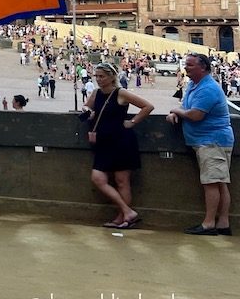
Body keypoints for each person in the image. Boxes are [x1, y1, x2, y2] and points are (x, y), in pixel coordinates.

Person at [167, 53, 234, 235]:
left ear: (202, 67)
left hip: (212, 141)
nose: (186, 67)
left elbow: (196, 115)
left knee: (212, 183)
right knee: (219, 183)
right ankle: (223, 223)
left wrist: (174, 111)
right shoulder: (194, 85)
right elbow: (186, 107)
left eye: (189, 65)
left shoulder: (208, 88)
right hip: (208, 141)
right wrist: (178, 112)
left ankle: (209, 224)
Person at [82, 62, 153, 230]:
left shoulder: (121, 93)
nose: (99, 79)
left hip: (121, 141)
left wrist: (132, 122)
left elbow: (148, 106)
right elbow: (86, 105)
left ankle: (123, 217)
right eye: (97, 76)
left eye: (102, 76)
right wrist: (88, 110)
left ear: (112, 77)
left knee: (122, 181)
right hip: (104, 141)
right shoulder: (96, 93)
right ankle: (128, 212)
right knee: (98, 178)